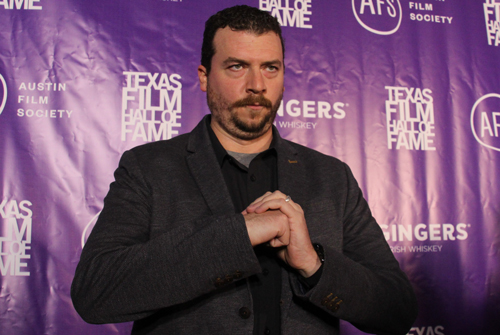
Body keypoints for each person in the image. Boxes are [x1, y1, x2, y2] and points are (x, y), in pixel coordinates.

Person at [71, 5, 418, 335]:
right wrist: (239, 235)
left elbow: (397, 309)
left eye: (271, 67)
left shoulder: (331, 177)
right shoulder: (148, 168)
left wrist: (314, 264)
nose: (257, 84)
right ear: (204, 77)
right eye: (237, 66)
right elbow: (95, 292)